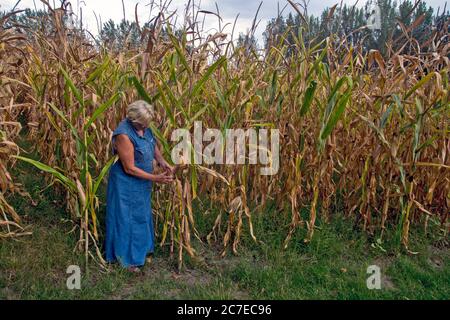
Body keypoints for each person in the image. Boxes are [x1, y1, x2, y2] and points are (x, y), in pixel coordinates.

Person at [105, 100, 174, 273]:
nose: (146, 126)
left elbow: (153, 145)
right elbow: (129, 168)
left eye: (148, 123)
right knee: (126, 219)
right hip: (126, 183)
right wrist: (155, 178)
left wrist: (163, 162)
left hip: (142, 182)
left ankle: (141, 252)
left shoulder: (145, 127)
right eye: (143, 123)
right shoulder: (123, 135)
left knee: (140, 215)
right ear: (133, 119)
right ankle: (126, 261)